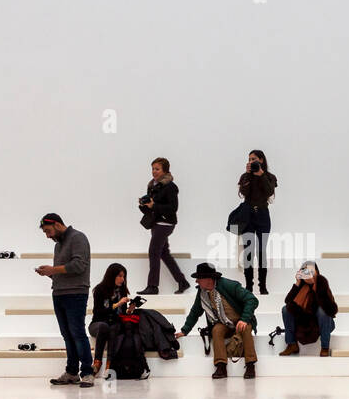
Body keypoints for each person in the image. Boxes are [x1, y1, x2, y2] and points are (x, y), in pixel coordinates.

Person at [36, 212, 95, 387]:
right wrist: (49, 273)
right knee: (67, 335)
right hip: (59, 293)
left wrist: (53, 270)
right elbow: (64, 271)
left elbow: (78, 265)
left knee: (77, 333)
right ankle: (71, 372)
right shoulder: (58, 245)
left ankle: (87, 372)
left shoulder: (78, 238)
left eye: (48, 231)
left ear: (56, 224)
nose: (47, 236)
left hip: (76, 293)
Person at [175, 262, 259, 379]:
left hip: (241, 320)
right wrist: (185, 330)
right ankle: (221, 366)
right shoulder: (202, 292)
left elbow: (252, 300)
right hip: (224, 323)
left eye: (199, 278)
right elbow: (195, 312)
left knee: (245, 329)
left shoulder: (229, 285)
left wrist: (244, 319)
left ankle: (250, 365)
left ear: (209, 279)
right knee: (216, 330)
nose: (196, 281)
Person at [138, 157, 191, 296]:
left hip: (166, 223)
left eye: (157, 169)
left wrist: (154, 205)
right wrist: (144, 205)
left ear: (165, 170)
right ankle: (182, 282)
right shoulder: (152, 186)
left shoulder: (170, 187)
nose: (154, 172)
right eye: (153, 169)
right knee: (163, 253)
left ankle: (153, 286)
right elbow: (151, 209)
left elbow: (173, 208)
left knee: (154, 251)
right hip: (157, 223)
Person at [236, 150, 277, 294]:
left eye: (254, 159)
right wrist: (248, 175)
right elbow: (244, 193)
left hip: (263, 216)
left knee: (261, 252)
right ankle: (249, 286)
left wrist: (261, 175)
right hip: (248, 216)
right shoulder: (245, 176)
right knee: (248, 252)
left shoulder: (270, 177)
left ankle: (263, 286)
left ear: (261, 160)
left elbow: (269, 192)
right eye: (249, 159)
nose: (251, 161)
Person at [278, 261, 338, 356]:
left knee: (322, 311)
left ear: (317, 272)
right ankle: (291, 344)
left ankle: (325, 347)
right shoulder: (301, 285)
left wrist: (314, 285)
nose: (308, 274)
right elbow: (288, 301)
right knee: (285, 309)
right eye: (305, 272)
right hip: (305, 322)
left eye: (311, 271)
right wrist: (297, 283)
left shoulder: (321, 282)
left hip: (321, 322)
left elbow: (330, 308)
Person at [90, 263, 136, 378]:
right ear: (112, 276)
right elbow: (99, 311)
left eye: (123, 276)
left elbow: (122, 314)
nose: (122, 279)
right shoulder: (100, 289)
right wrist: (118, 303)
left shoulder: (122, 291)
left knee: (115, 327)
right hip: (97, 323)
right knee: (104, 327)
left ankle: (109, 365)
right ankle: (97, 362)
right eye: (119, 276)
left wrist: (130, 310)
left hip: (114, 324)